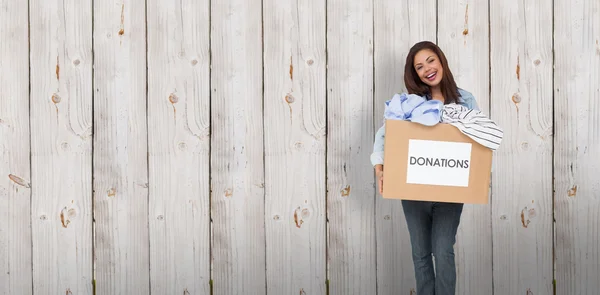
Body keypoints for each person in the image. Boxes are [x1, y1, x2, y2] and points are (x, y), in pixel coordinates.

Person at [371, 41, 480, 295]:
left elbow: (478, 139)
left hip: (450, 193)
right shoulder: (409, 103)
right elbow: (385, 134)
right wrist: (380, 168)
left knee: (443, 251)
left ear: (441, 60)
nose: (427, 69)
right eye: (419, 67)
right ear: (415, 73)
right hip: (414, 193)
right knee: (420, 255)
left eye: (430, 60)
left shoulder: (465, 99)